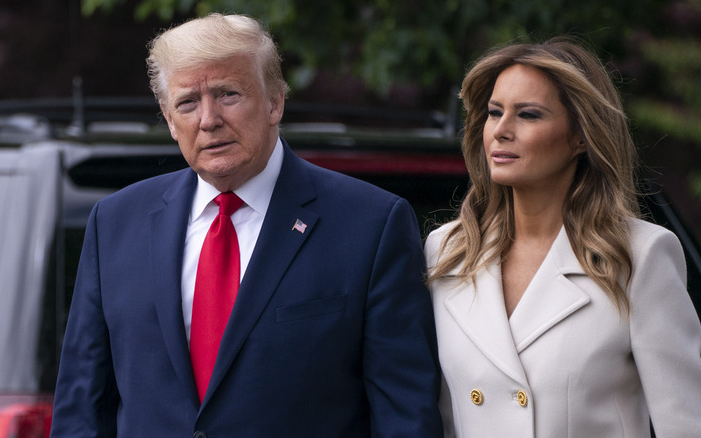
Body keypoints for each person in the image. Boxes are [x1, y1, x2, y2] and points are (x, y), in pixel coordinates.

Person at [50, 13, 443, 437]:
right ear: (168, 119)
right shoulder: (114, 223)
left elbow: (405, 417)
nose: (208, 119)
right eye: (187, 103)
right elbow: (82, 409)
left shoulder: (371, 224)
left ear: (275, 101)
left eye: (228, 94)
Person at [424, 38, 701, 437]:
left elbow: (690, 428)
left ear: (581, 137)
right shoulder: (448, 251)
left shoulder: (639, 255)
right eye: (494, 112)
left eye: (528, 115)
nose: (500, 130)